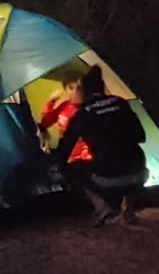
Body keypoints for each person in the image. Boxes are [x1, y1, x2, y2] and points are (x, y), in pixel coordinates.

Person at [51, 66, 148, 226]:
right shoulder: (121, 103)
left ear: (84, 92)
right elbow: (140, 136)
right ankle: (128, 208)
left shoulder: (81, 115)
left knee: (70, 168)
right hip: (140, 174)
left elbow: (64, 151)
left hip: (108, 177)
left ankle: (102, 207)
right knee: (130, 155)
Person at [37, 75, 94, 166]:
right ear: (66, 89)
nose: (75, 91)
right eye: (71, 88)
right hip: (66, 154)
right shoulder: (65, 105)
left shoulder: (90, 107)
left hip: (84, 157)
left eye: (79, 88)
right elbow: (45, 123)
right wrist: (50, 102)